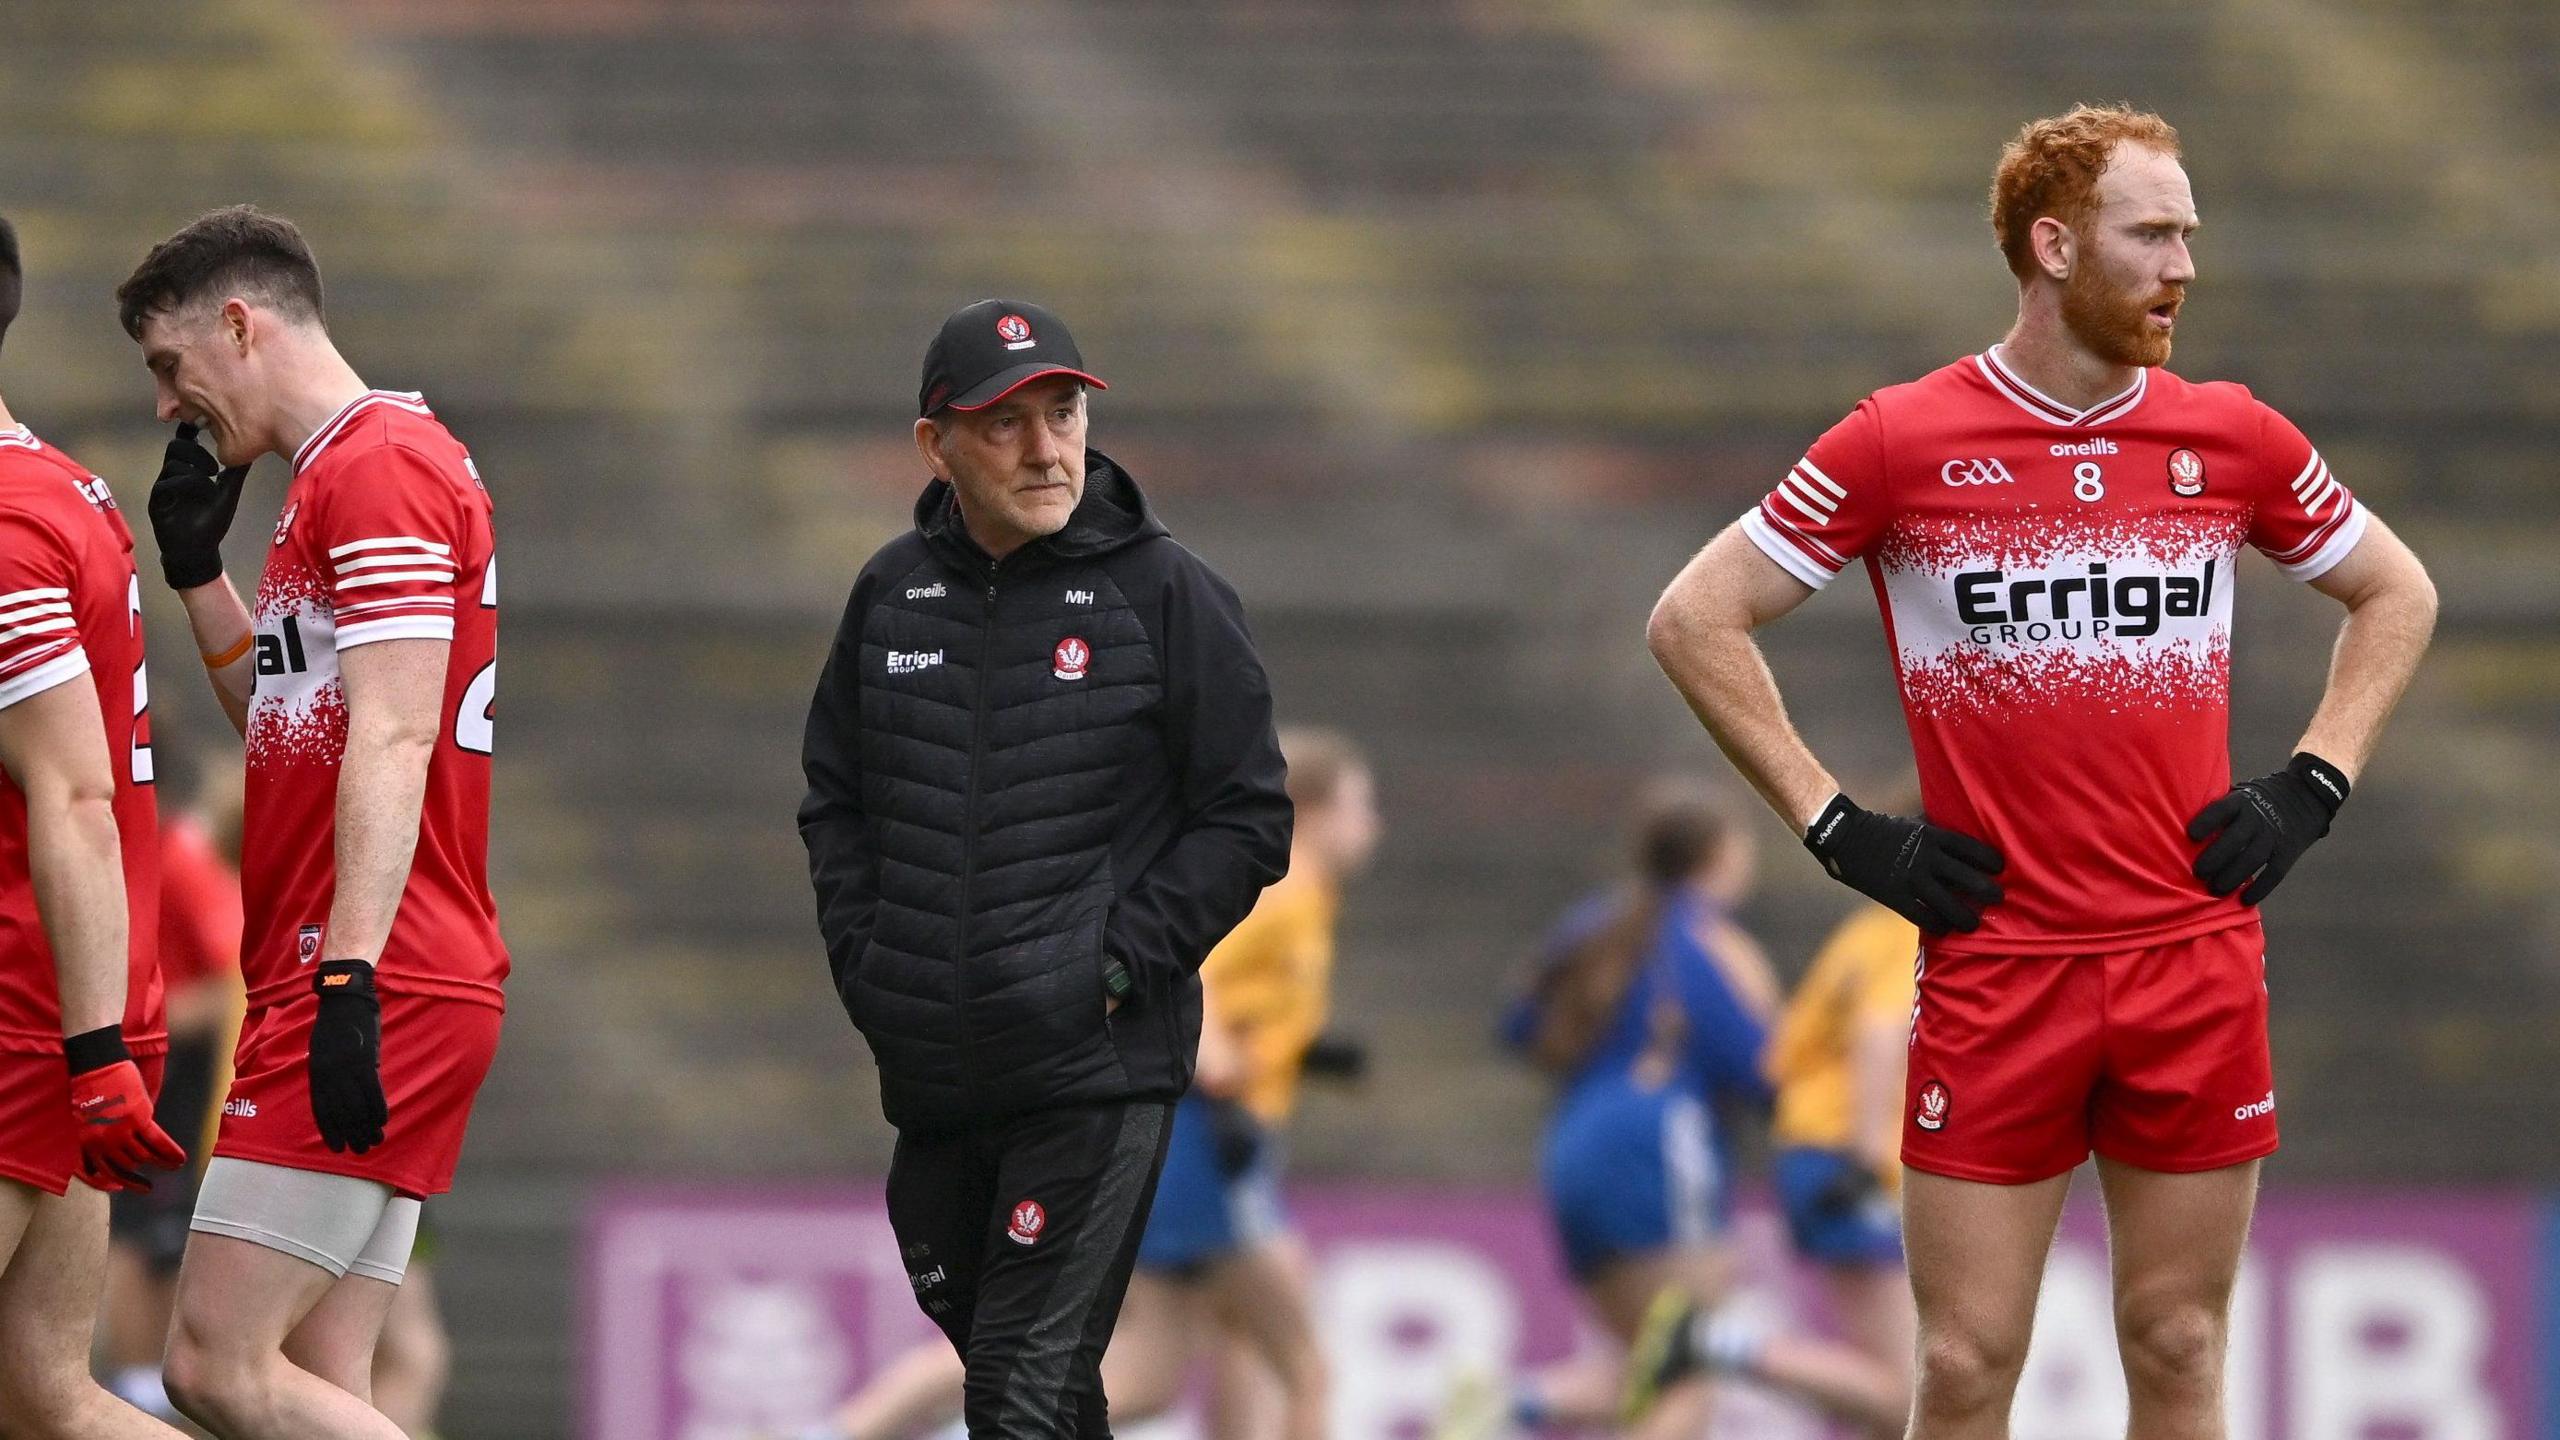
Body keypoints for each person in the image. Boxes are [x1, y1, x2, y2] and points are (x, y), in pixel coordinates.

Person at [1644, 104, 2438, 1436]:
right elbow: (1693, 617)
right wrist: (1837, 827)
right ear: (2054, 244)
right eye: (2154, 232)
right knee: (1962, 1365)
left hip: (2190, 955)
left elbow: (2396, 591)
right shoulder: (1900, 439)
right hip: (1999, 969)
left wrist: (2315, 781)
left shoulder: (2229, 435)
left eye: (2191, 232)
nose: (2185, 263)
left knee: (2179, 1341)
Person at [799, 297, 1292, 1439]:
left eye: (1062, 413)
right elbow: (836, 800)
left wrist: (1111, 968)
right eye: (1005, 422)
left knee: (1016, 1394)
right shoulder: (889, 596)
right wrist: (874, 967)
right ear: (936, 445)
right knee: (1044, 1397)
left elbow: (1248, 817)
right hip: (933, 1078)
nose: (1045, 448)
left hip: (1094, 1070)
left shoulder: (1168, 593)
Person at [117, 204, 507, 1440]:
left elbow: (394, 737)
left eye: (173, 368)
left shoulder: (378, 464)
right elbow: (295, 735)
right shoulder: (339, 472)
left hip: (367, 973)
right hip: (367, 970)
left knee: (214, 1366)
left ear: (240, 324)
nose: (171, 407)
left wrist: (348, 977)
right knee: (316, 1389)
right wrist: (197, 576)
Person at [813, 728, 1374, 1440]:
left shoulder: (1305, 896)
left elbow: (1245, 998)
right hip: (1202, 1143)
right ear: (1314, 809)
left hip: (1196, 1140)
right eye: (1361, 805)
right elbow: (1190, 966)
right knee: (1301, 1363)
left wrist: (1301, 1051)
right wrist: (1219, 1058)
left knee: (1149, 1375)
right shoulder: (1283, 888)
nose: (1371, 826)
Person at [1486, 783, 1899, 1440]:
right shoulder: (1712, 944)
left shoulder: (1594, 924)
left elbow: (1517, 1027)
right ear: (1720, 856)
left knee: (1647, 1364)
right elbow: (1764, 1071)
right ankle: (1507, 1406)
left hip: (1572, 1145)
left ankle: (1512, 1403)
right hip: (1659, 1151)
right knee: (1686, 1375)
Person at [0, 212, 194, 1438]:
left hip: (28, 1011)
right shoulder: (57, 485)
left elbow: (71, 789)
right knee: (49, 1405)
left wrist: (85, 1051)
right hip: (72, 1008)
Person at [104, 770, 249, 1422]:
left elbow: (229, 987)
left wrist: (121, 1031)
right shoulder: (147, 852)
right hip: (144, 1073)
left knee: (145, 1240)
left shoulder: (182, 858)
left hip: (181, 1082)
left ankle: (140, 1398)